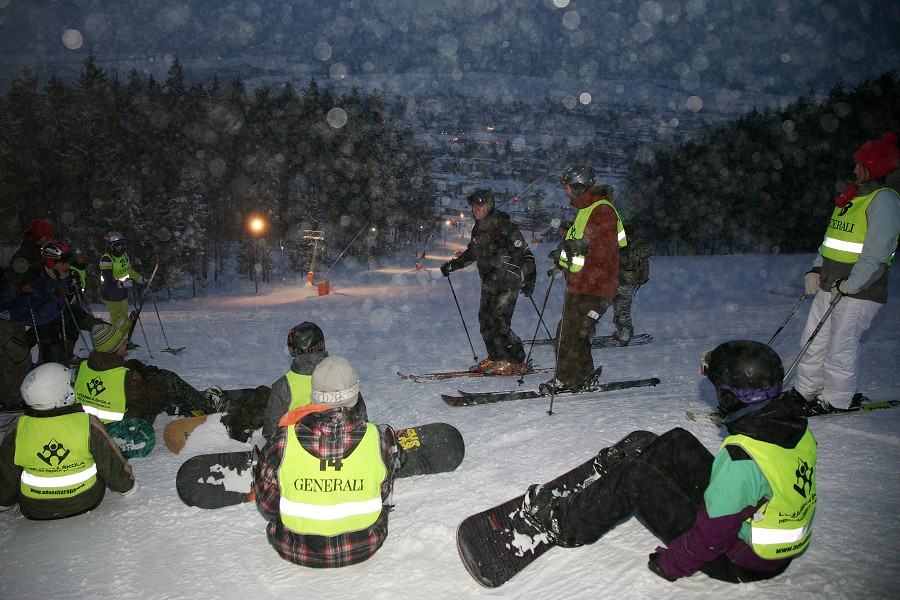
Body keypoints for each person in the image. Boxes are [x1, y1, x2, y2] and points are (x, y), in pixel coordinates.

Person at [521, 340, 816, 583]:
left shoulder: (741, 458)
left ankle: (566, 524)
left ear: (729, 397)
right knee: (678, 440)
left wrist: (672, 564)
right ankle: (634, 470)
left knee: (635, 477)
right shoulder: (791, 427)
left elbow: (712, 537)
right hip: (759, 544)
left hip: (737, 558)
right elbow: (752, 491)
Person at [790, 132, 900, 415]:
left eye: (861, 165)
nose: (854, 170)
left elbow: (877, 255)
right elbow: (831, 241)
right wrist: (816, 268)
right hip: (830, 284)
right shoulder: (851, 198)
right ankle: (805, 392)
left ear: (875, 168)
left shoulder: (884, 201)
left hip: (860, 290)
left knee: (841, 345)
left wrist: (850, 285)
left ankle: (835, 399)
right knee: (812, 339)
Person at [254, 355, 400, 568]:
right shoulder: (379, 438)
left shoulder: (283, 440)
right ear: (356, 393)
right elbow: (383, 494)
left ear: (314, 396)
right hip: (363, 544)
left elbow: (267, 505)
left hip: (294, 547)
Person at [0, 362, 136, 520]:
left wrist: (4, 502)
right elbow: (110, 463)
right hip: (86, 500)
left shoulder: (18, 430)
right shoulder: (86, 424)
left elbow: (6, 472)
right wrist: (128, 488)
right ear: (64, 394)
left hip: (35, 508)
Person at [542, 165, 624, 394]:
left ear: (579, 186)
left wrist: (579, 245)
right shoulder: (586, 210)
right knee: (576, 333)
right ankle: (585, 376)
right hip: (581, 284)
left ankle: (566, 379)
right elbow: (579, 247)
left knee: (568, 334)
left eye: (568, 188)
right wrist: (562, 259)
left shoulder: (602, 210)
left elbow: (606, 248)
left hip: (595, 287)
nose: (566, 192)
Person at [440, 189, 537, 375]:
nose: (477, 209)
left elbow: (524, 253)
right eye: (474, 206)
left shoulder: (504, 225)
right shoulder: (478, 229)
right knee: (485, 320)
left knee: (500, 321)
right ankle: (497, 358)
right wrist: (452, 266)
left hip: (508, 281)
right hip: (489, 281)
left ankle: (517, 361)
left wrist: (530, 278)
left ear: (490, 205)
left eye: (481, 205)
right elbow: (472, 253)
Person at [73, 322, 224, 425]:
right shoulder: (126, 378)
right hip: (121, 429)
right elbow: (154, 398)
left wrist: (134, 367)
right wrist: (153, 375)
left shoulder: (83, 366)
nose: (126, 342)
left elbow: (109, 377)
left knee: (149, 378)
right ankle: (208, 409)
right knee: (168, 380)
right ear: (113, 347)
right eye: (121, 341)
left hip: (90, 424)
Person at [609, 212, 651, 346]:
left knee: (597, 308)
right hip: (630, 280)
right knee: (623, 309)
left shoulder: (619, 238)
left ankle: (589, 334)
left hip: (616, 279)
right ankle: (625, 332)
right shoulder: (635, 240)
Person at [98, 231, 147, 341]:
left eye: (122, 244)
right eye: (117, 244)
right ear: (110, 245)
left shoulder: (124, 255)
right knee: (120, 321)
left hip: (122, 294)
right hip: (110, 295)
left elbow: (128, 270)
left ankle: (121, 342)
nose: (120, 247)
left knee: (126, 321)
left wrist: (139, 278)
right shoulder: (106, 259)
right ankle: (113, 343)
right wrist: (120, 283)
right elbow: (107, 278)